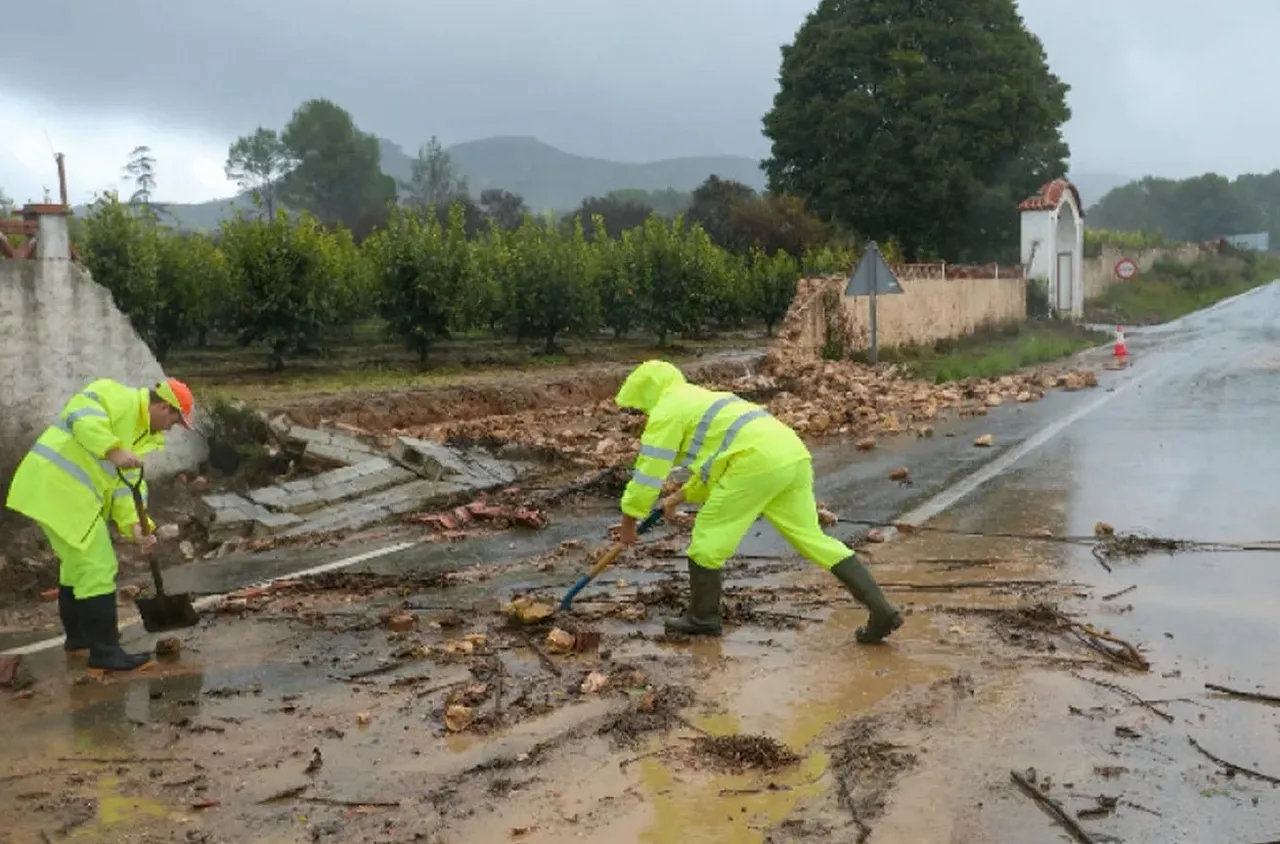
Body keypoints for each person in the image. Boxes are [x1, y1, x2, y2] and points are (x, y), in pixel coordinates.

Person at [614, 360, 902, 643]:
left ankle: (702, 618)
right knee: (812, 538)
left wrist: (629, 522)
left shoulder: (666, 412)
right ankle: (881, 610)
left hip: (755, 462)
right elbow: (715, 464)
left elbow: (647, 475)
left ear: (647, 394)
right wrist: (677, 497)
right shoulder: (702, 398)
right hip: (791, 455)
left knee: (708, 539)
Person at [6, 377, 196, 674]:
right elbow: (80, 416)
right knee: (98, 566)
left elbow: (127, 488)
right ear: (163, 406)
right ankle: (105, 651)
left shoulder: (141, 437)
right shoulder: (116, 396)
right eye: (175, 419)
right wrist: (112, 450)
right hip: (58, 488)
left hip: (59, 492)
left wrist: (137, 525)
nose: (172, 428)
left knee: (76, 568)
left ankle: (80, 640)